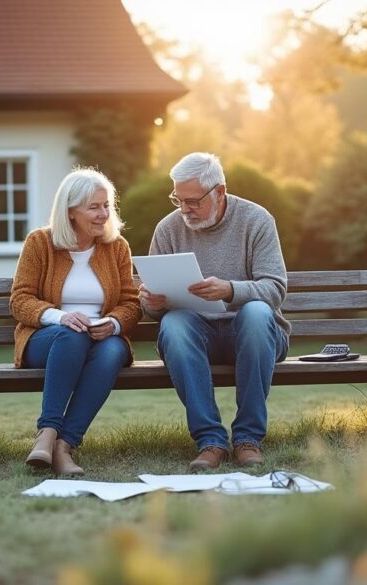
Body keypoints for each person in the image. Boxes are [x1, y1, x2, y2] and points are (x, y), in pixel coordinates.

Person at [140, 152, 290, 471]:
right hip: (197, 336)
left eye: (193, 201)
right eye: (178, 200)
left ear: (219, 191)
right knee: (175, 323)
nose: (184, 210)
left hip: (253, 334)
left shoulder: (256, 220)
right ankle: (210, 440)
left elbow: (275, 289)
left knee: (257, 314)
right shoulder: (167, 230)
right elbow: (153, 306)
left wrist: (231, 290)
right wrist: (150, 303)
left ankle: (248, 438)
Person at [10, 168, 141, 475]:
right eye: (94, 207)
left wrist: (114, 323)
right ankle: (48, 430)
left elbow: (131, 303)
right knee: (72, 335)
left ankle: (62, 446)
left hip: (103, 339)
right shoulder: (40, 243)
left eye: (106, 205)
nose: (103, 214)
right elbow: (20, 300)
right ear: (70, 212)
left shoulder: (117, 247)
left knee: (111, 352)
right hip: (48, 338)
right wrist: (62, 317)